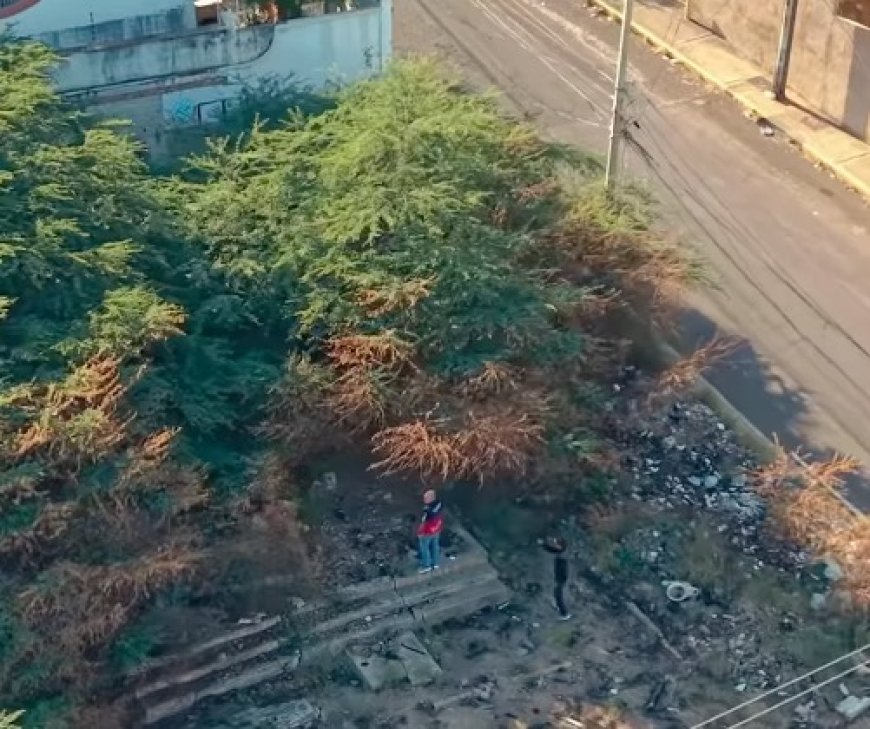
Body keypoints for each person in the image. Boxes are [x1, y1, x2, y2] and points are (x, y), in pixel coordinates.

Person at [542, 536, 571, 620]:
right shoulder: (562, 552)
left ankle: (564, 614)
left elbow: (552, 550)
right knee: (557, 594)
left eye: (557, 543)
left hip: (561, 578)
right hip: (561, 578)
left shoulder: (562, 552)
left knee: (558, 595)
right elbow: (552, 550)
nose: (555, 544)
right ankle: (562, 611)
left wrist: (544, 545)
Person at [417, 489, 444, 574]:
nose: (424, 499)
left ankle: (427, 566)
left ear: (430, 498)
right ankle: (435, 563)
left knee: (425, 548)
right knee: (435, 546)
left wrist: (420, 533)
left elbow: (423, 522)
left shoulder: (427, 510)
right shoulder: (439, 504)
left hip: (427, 532)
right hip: (437, 529)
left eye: (425, 498)